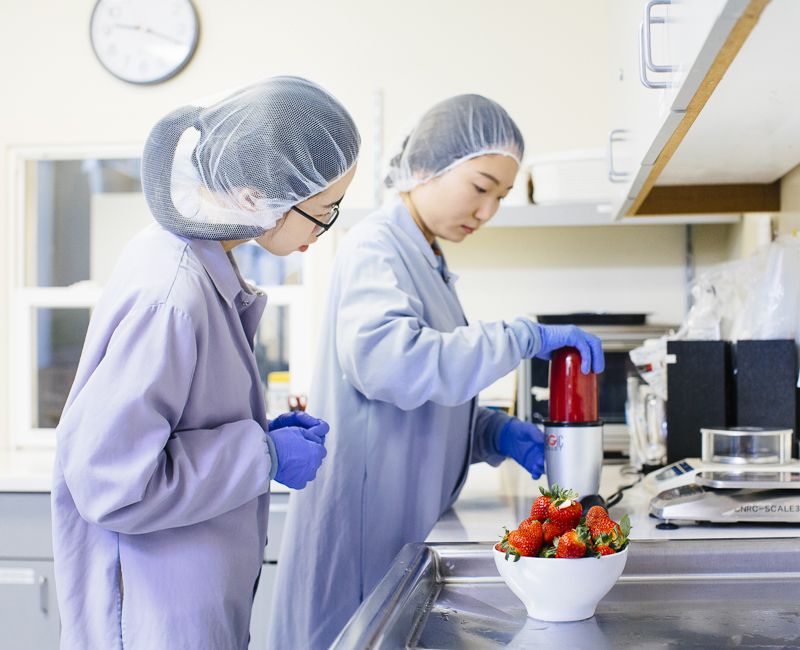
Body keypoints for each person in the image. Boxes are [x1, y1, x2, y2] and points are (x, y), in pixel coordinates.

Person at [269, 94, 604, 649]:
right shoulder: (376, 247)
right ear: (425, 168)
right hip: (361, 542)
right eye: (480, 187)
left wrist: (489, 432)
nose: (488, 211)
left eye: (500, 196)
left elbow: (423, 398)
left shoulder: (426, 260)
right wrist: (523, 337)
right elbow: (390, 366)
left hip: (397, 537)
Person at [51, 76, 360, 650]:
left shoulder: (198, 260)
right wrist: (259, 453)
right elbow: (110, 480)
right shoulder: (173, 294)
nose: (324, 229)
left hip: (187, 604)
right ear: (253, 195)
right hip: (152, 621)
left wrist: (255, 435)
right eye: (323, 211)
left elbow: (173, 426)